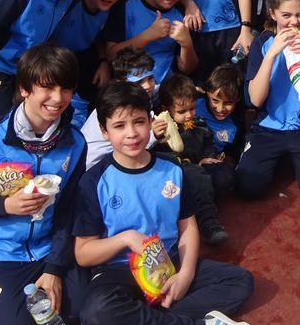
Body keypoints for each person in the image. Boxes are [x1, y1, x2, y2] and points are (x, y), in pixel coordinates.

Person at [74, 81, 254, 324]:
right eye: (119, 125)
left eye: (139, 121)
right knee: (97, 311)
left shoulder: (173, 170)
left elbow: (188, 227)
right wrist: (125, 238)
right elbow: (83, 253)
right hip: (119, 271)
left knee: (240, 281)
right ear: (104, 131)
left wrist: (186, 275)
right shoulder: (94, 181)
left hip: (170, 263)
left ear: (150, 121)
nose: (132, 133)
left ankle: (149, 319)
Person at [0, 43, 88, 324]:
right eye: (47, 88)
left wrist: (55, 269)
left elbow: (69, 210)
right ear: (24, 88)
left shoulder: (76, 143)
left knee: (83, 314)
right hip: (1, 253)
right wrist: (5, 205)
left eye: (66, 89)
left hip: (53, 250)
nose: (57, 98)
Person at [237, 0, 300, 200]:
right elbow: (255, 100)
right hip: (269, 127)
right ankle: (279, 159)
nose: (294, 21)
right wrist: (271, 55)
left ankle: (290, 159)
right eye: (286, 15)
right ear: (272, 13)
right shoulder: (262, 44)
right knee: (248, 187)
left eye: (299, 14)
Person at [152, 73, 232, 246]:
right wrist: (155, 136)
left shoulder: (199, 124)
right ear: (166, 109)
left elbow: (207, 144)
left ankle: (196, 201)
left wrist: (207, 157)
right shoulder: (161, 129)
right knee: (196, 176)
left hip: (198, 166)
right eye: (181, 111)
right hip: (175, 172)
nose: (189, 115)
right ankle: (208, 223)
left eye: (192, 108)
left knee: (224, 175)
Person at [51, 0, 128, 127]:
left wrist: (103, 62)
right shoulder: (68, 0)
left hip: (84, 58)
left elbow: (101, 37)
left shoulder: (111, 8)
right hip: (53, 60)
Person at [103, 0, 198, 84]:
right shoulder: (124, 3)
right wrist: (149, 35)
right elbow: (111, 55)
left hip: (165, 93)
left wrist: (186, 43)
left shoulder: (182, 13)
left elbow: (187, 69)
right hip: (129, 92)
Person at [82, 47, 158, 170]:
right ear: (121, 82)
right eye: (139, 82)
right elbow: (129, 147)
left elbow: (160, 89)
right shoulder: (113, 107)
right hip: (98, 168)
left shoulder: (140, 93)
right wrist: (154, 135)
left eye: (150, 78)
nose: (148, 86)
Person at [195, 64, 244, 161]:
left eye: (228, 103)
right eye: (215, 100)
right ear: (207, 93)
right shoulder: (193, 105)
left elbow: (231, 157)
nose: (220, 109)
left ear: (238, 99)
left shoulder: (235, 127)